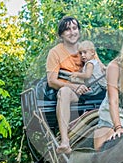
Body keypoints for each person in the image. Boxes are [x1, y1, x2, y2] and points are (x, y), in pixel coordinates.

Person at [46, 16, 105, 154]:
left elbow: (102, 68)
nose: (72, 32)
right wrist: (75, 87)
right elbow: (52, 81)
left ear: (79, 30)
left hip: (94, 90)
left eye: (74, 28)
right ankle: (65, 142)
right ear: (61, 34)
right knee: (64, 92)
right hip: (73, 92)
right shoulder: (55, 52)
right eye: (67, 29)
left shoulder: (86, 48)